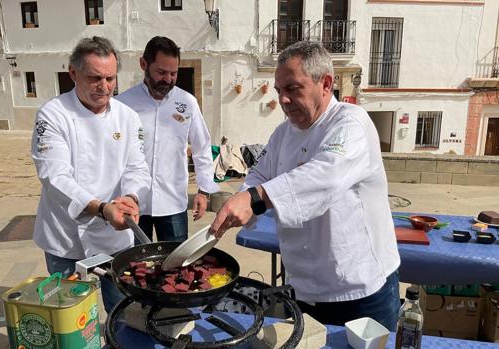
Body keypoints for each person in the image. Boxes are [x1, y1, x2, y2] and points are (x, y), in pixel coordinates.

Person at [210, 41, 401, 330]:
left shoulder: (351, 124)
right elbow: (259, 175)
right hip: (303, 288)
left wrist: (256, 199)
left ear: (325, 83)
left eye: (293, 89)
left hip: (359, 290)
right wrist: (239, 202)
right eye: (278, 91)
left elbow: (327, 176)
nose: (283, 100)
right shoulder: (283, 133)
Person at [31, 36, 151, 313]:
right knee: (68, 316)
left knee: (122, 311)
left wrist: (131, 197)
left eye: (110, 78)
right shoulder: (53, 115)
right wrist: (102, 208)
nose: (104, 86)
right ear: (73, 73)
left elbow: (137, 167)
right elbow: (55, 177)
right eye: (94, 77)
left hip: (115, 236)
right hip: (65, 236)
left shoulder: (127, 117)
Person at [117, 36, 219, 242]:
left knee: (175, 265)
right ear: (143, 64)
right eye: (161, 72)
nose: (168, 79)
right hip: (133, 202)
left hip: (173, 203)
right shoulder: (123, 104)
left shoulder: (187, 103)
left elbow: (202, 147)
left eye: (173, 73)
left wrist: (204, 191)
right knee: (135, 265)